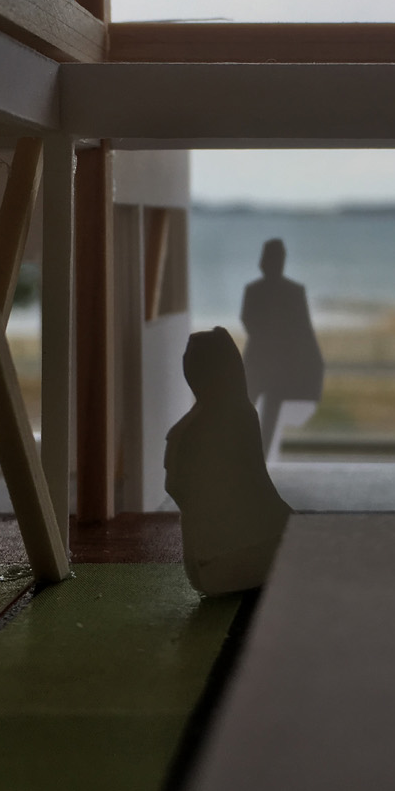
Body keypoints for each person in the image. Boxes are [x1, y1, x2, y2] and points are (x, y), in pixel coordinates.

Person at [164, 327, 293, 596]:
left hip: (204, 563)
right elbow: (256, 483)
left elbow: (175, 486)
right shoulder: (241, 414)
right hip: (230, 561)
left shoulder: (187, 429)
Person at [240, 238, 325, 454]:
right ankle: (250, 453)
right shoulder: (267, 290)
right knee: (249, 406)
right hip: (265, 362)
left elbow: (302, 327)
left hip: (273, 363)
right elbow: (249, 320)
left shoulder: (287, 291)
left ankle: (258, 455)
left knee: (265, 409)